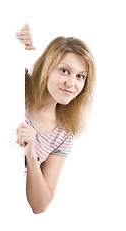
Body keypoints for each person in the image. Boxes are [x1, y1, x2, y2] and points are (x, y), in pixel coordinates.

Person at [16, 24, 96, 214]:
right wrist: (15, 43)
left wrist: (32, 156)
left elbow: (40, 205)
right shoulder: (18, 83)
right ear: (47, 66)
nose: (72, 83)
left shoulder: (63, 135)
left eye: (80, 76)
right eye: (64, 71)